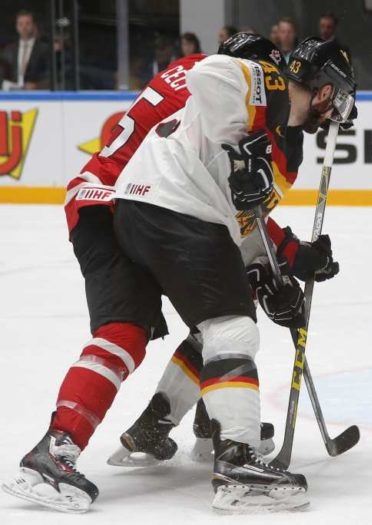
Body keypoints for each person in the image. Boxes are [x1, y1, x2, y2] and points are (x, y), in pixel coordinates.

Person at [1, 34, 353, 513]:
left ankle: (70, 444)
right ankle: (234, 458)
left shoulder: (251, 119)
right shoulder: (252, 85)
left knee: (136, 331)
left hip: (130, 199)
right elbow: (212, 88)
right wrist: (273, 258)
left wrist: (277, 265)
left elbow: (236, 212)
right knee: (228, 323)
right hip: (142, 199)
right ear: (323, 89)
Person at [2, 10, 50, 90]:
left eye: (28, 23)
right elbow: (3, 73)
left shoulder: (45, 49)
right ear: (16, 27)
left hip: (36, 94)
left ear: (34, 25)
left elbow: (51, 76)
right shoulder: (9, 50)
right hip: (12, 94)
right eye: (20, 24)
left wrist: (37, 86)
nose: (24, 27)